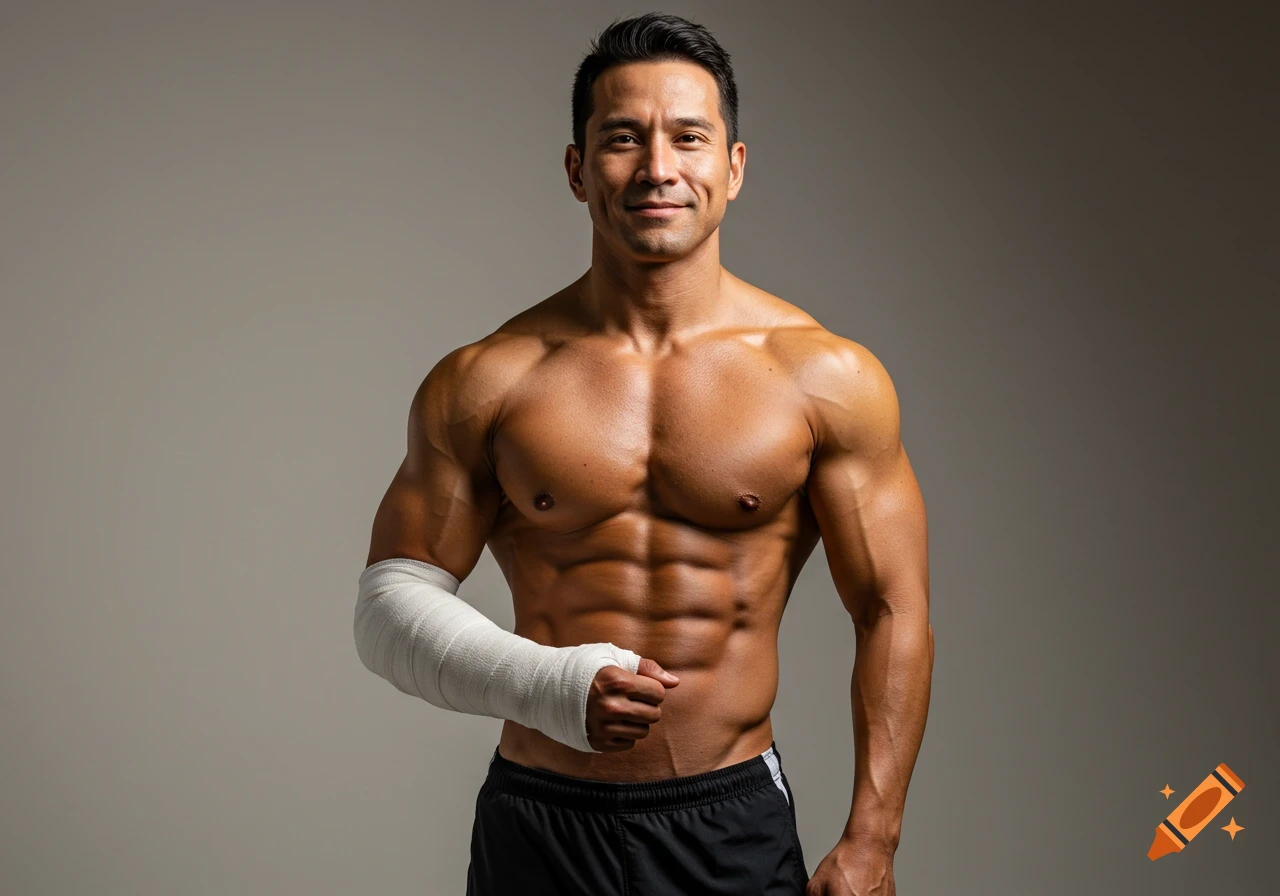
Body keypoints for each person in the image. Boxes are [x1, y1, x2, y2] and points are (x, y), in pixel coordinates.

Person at [353, 11, 932, 895]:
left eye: (689, 138)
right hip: (538, 822)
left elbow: (892, 609)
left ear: (733, 168)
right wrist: (551, 683)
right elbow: (392, 609)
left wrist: (874, 836)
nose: (658, 167)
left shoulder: (824, 379)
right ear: (578, 170)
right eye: (623, 138)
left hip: (726, 822)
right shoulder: (488, 380)